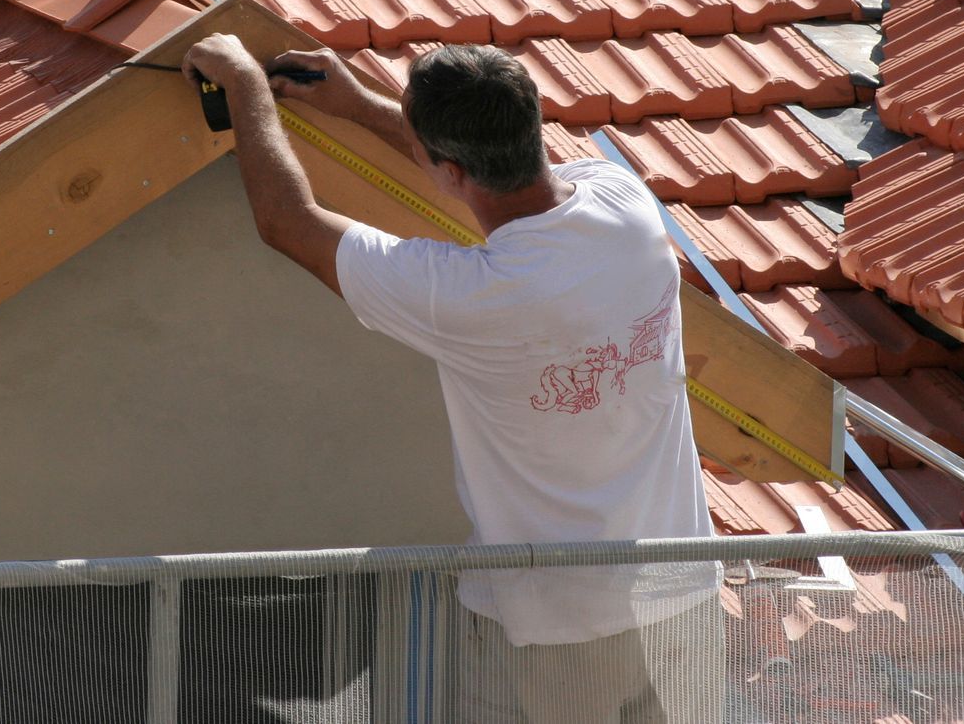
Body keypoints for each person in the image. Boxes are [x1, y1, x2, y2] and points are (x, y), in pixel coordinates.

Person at [180, 36, 724, 724]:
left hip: (554, 630)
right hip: (686, 589)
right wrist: (361, 108)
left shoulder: (471, 298)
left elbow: (288, 223)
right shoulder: (626, 205)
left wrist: (244, 87)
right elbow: (488, 173)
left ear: (451, 169)